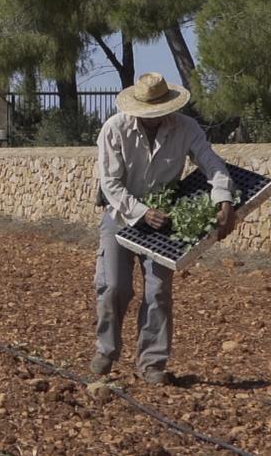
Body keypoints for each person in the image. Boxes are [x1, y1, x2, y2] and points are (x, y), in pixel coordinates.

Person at [93, 72, 236, 385]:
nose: (156, 117)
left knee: (158, 291)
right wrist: (142, 212)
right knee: (113, 286)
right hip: (121, 215)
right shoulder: (115, 129)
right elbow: (110, 184)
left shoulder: (186, 128)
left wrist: (223, 197)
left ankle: (152, 363)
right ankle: (106, 350)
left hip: (164, 218)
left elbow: (211, 162)